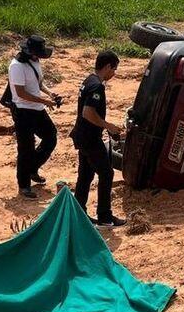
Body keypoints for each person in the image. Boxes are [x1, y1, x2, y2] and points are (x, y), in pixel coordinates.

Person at [71, 51, 126, 227]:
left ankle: (78, 214)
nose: (114, 73)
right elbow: (88, 112)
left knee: (85, 175)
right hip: (90, 138)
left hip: (82, 135)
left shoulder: (88, 80)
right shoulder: (97, 86)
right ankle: (105, 216)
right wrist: (108, 125)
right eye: (114, 69)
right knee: (107, 173)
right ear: (108, 66)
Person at [8, 35, 61, 199]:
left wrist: (50, 93)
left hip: (37, 109)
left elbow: (38, 83)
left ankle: (32, 168)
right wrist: (45, 101)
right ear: (30, 52)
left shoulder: (34, 61)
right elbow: (21, 93)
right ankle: (24, 186)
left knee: (51, 137)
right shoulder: (17, 66)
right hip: (23, 111)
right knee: (26, 148)